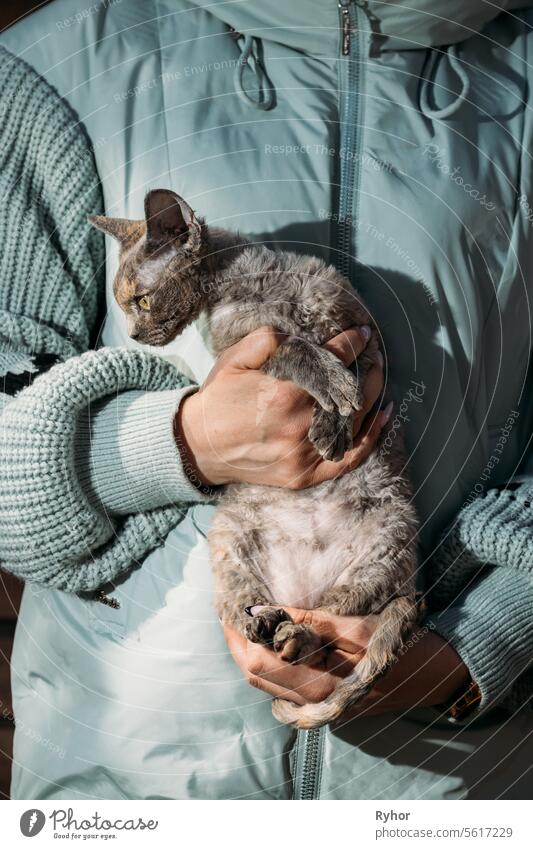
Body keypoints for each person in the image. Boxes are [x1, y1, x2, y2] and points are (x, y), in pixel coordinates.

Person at [0, 0, 532, 800]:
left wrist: (483, 638)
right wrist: (178, 444)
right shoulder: (59, 69)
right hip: (135, 788)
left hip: (451, 792)